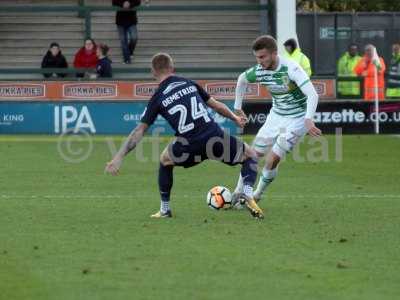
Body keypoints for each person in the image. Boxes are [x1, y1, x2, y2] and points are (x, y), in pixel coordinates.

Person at [105, 53, 264, 219]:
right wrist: (235, 118)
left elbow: (139, 130)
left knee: (165, 160)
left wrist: (119, 156)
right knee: (250, 155)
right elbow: (216, 105)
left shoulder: (158, 97)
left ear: (153, 72)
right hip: (214, 137)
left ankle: (165, 209)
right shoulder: (188, 83)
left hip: (189, 145)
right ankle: (247, 193)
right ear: (172, 68)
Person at [232, 35, 321, 206]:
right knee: (252, 155)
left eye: (263, 57)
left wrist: (308, 120)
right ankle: (238, 192)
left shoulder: (291, 68)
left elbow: (313, 94)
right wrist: (237, 106)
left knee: (272, 159)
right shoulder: (259, 70)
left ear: (274, 53)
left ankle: (257, 194)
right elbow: (242, 79)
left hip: (298, 118)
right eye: (257, 57)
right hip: (276, 116)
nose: (259, 61)